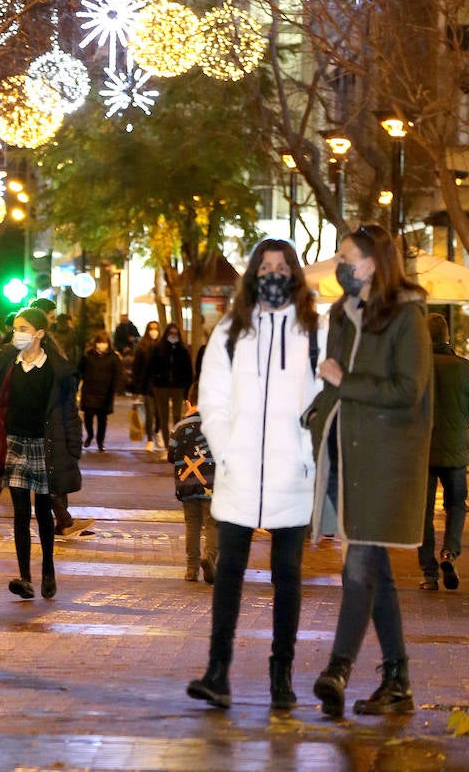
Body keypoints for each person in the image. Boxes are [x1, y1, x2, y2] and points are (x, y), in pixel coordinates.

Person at [305, 222, 433, 719]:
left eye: (346, 257)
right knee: (374, 568)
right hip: (343, 454)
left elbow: (409, 390)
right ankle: (398, 679)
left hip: (383, 462)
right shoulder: (341, 314)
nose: (339, 266)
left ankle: (337, 669)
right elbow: (335, 383)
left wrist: (346, 380)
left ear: (373, 263)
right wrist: (316, 411)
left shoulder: (406, 317)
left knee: (359, 564)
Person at [186, 238, 320, 713]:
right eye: (266, 266)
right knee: (228, 574)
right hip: (239, 472)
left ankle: (281, 675)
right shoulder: (231, 330)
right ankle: (217, 671)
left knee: (288, 577)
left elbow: (323, 403)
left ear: (295, 274)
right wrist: (227, 452)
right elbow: (213, 400)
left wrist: (309, 455)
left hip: (292, 475)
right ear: (252, 273)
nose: (274, 274)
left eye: (282, 267)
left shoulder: (313, 331)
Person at [0, 306, 81, 600]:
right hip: (15, 444)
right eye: (15, 329)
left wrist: (72, 450)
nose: (17, 334)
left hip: (43, 446)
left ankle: (48, 569)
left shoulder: (55, 370)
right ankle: (25, 577)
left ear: (39, 334)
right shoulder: (9, 363)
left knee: (44, 512)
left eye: (23, 329)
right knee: (20, 513)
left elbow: (70, 414)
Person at [418, 312, 469, 592]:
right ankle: (450, 552)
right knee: (456, 505)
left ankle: (429, 574)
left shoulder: (415, 369)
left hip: (422, 452)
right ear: (447, 336)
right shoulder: (465, 368)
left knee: (422, 513)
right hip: (456, 452)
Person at [167, 390, 217, 584]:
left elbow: (172, 456)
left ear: (188, 402)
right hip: (211, 483)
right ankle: (210, 558)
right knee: (213, 522)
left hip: (186, 484)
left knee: (192, 524)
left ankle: (191, 569)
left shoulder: (179, 427)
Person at [148, 321, 193, 452]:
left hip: (178, 386)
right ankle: (169, 447)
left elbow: (188, 371)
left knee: (177, 416)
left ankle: (177, 443)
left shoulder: (183, 351)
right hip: (161, 386)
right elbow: (151, 368)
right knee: (163, 416)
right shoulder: (158, 349)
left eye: (175, 333)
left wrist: (187, 391)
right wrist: (153, 383)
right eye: (170, 333)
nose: (173, 336)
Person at [77, 331, 127, 451]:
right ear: (95, 344)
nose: (101, 345)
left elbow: (118, 374)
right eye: (99, 342)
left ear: (108, 344)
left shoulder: (113, 357)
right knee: (88, 416)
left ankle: (100, 441)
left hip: (106, 392)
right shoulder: (88, 356)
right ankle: (90, 435)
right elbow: (79, 371)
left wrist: (117, 388)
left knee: (102, 418)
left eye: (104, 343)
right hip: (89, 390)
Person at [130, 319, 162, 451]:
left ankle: (157, 432)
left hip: (161, 386)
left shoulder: (163, 346)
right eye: (151, 329)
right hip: (147, 386)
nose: (153, 331)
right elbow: (136, 369)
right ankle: (150, 439)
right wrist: (136, 388)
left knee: (160, 414)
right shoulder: (142, 347)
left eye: (156, 328)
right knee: (149, 413)